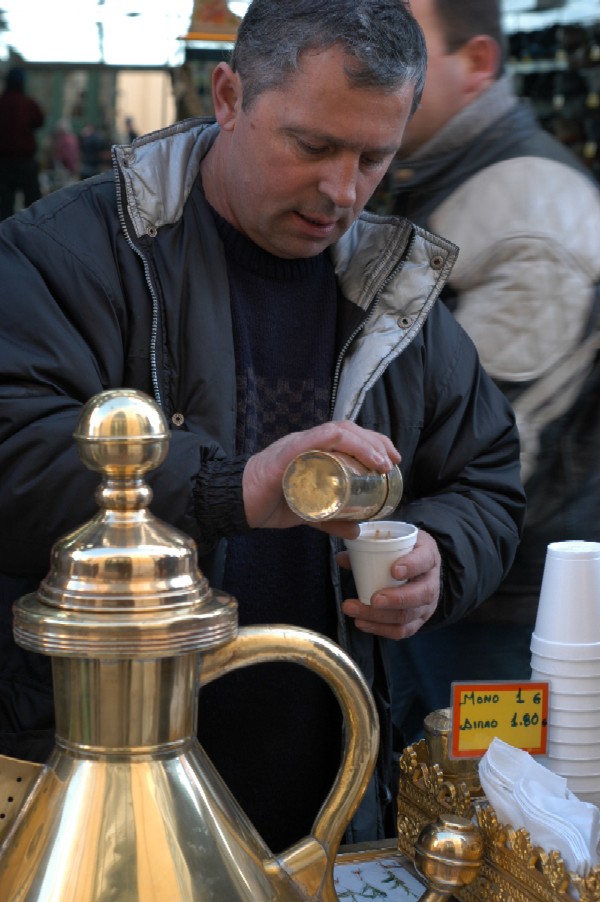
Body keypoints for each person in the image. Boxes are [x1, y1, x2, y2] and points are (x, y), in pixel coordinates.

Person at [0, 0, 525, 852]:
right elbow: (12, 455)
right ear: (229, 95)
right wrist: (232, 487)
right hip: (101, 803)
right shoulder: (68, 253)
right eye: (312, 146)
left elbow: (489, 477)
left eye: (374, 157)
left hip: (331, 809)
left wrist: (439, 556)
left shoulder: (400, 293)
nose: (342, 191)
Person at [379, 0, 600, 745]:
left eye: (402, 40)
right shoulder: (434, 174)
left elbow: (497, 441)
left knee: (497, 835)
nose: (370, 54)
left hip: (505, 607)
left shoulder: (527, 205)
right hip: (445, 585)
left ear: (475, 64)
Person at [0, 66, 45, 219]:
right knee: (35, 208)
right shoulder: (28, 104)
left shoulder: (2, 103)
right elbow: (39, 121)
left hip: (3, 163)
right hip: (25, 162)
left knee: (3, 207)